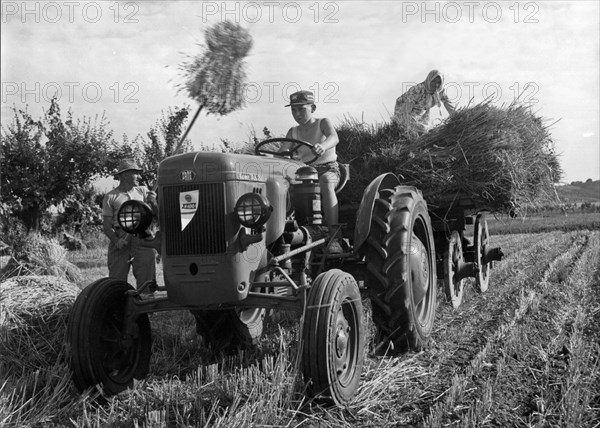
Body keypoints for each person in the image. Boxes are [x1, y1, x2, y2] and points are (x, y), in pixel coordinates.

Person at [280, 90, 343, 253]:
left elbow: (334, 137)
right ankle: (283, 236)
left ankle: (335, 236)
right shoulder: (292, 132)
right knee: (281, 188)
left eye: (302, 109)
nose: (297, 114)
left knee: (326, 182)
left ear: (313, 108)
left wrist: (323, 146)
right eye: (293, 110)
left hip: (328, 169)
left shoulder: (322, 122)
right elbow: (282, 152)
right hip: (305, 175)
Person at [102, 159, 158, 289]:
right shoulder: (111, 197)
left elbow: (156, 215)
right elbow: (106, 226)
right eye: (135, 173)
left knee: (147, 281)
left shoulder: (143, 192)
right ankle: (119, 307)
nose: (139, 176)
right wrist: (117, 241)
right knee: (116, 281)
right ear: (125, 175)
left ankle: (147, 307)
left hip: (143, 238)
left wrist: (153, 202)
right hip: (121, 238)